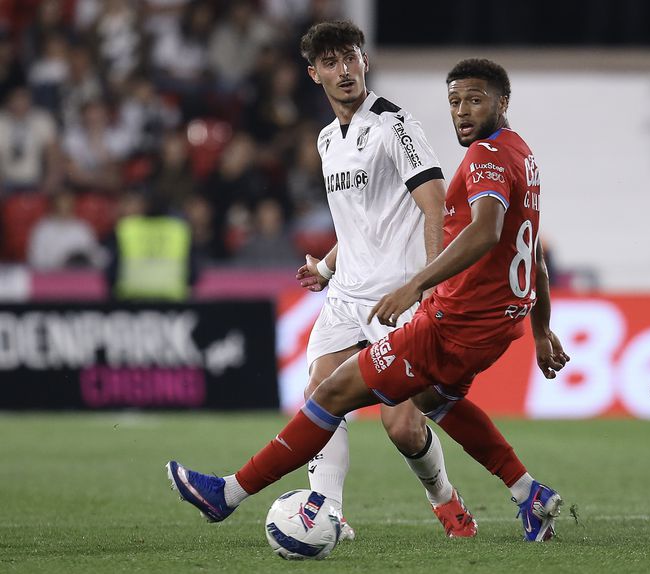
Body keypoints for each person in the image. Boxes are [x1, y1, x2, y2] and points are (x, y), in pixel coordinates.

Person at [167, 56, 570, 542]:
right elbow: (535, 253)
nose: (462, 111)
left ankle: (228, 494)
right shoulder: (520, 153)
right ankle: (527, 492)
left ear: (503, 102)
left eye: (475, 100)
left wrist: (416, 284)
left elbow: (484, 231)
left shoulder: (477, 154)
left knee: (334, 395)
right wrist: (541, 329)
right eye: (455, 101)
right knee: (428, 401)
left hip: (452, 323)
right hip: (494, 324)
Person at [181, 20, 474, 539]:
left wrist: (428, 287)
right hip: (347, 296)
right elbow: (361, 222)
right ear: (313, 73)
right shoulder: (325, 140)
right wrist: (327, 267)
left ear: (364, 61)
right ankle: (329, 515)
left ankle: (447, 502)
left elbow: (434, 207)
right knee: (320, 396)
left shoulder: (394, 126)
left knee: (402, 426)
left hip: (400, 296)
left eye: (351, 58)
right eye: (332, 63)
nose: (345, 70)